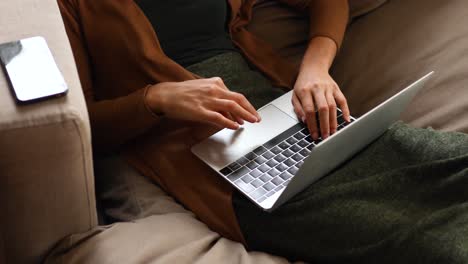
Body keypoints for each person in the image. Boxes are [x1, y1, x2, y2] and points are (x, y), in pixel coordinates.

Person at [58, 0, 350, 261]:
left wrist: (315, 68)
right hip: (195, 142)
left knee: (395, 154)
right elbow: (78, 124)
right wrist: (155, 98)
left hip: (282, 108)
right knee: (380, 228)